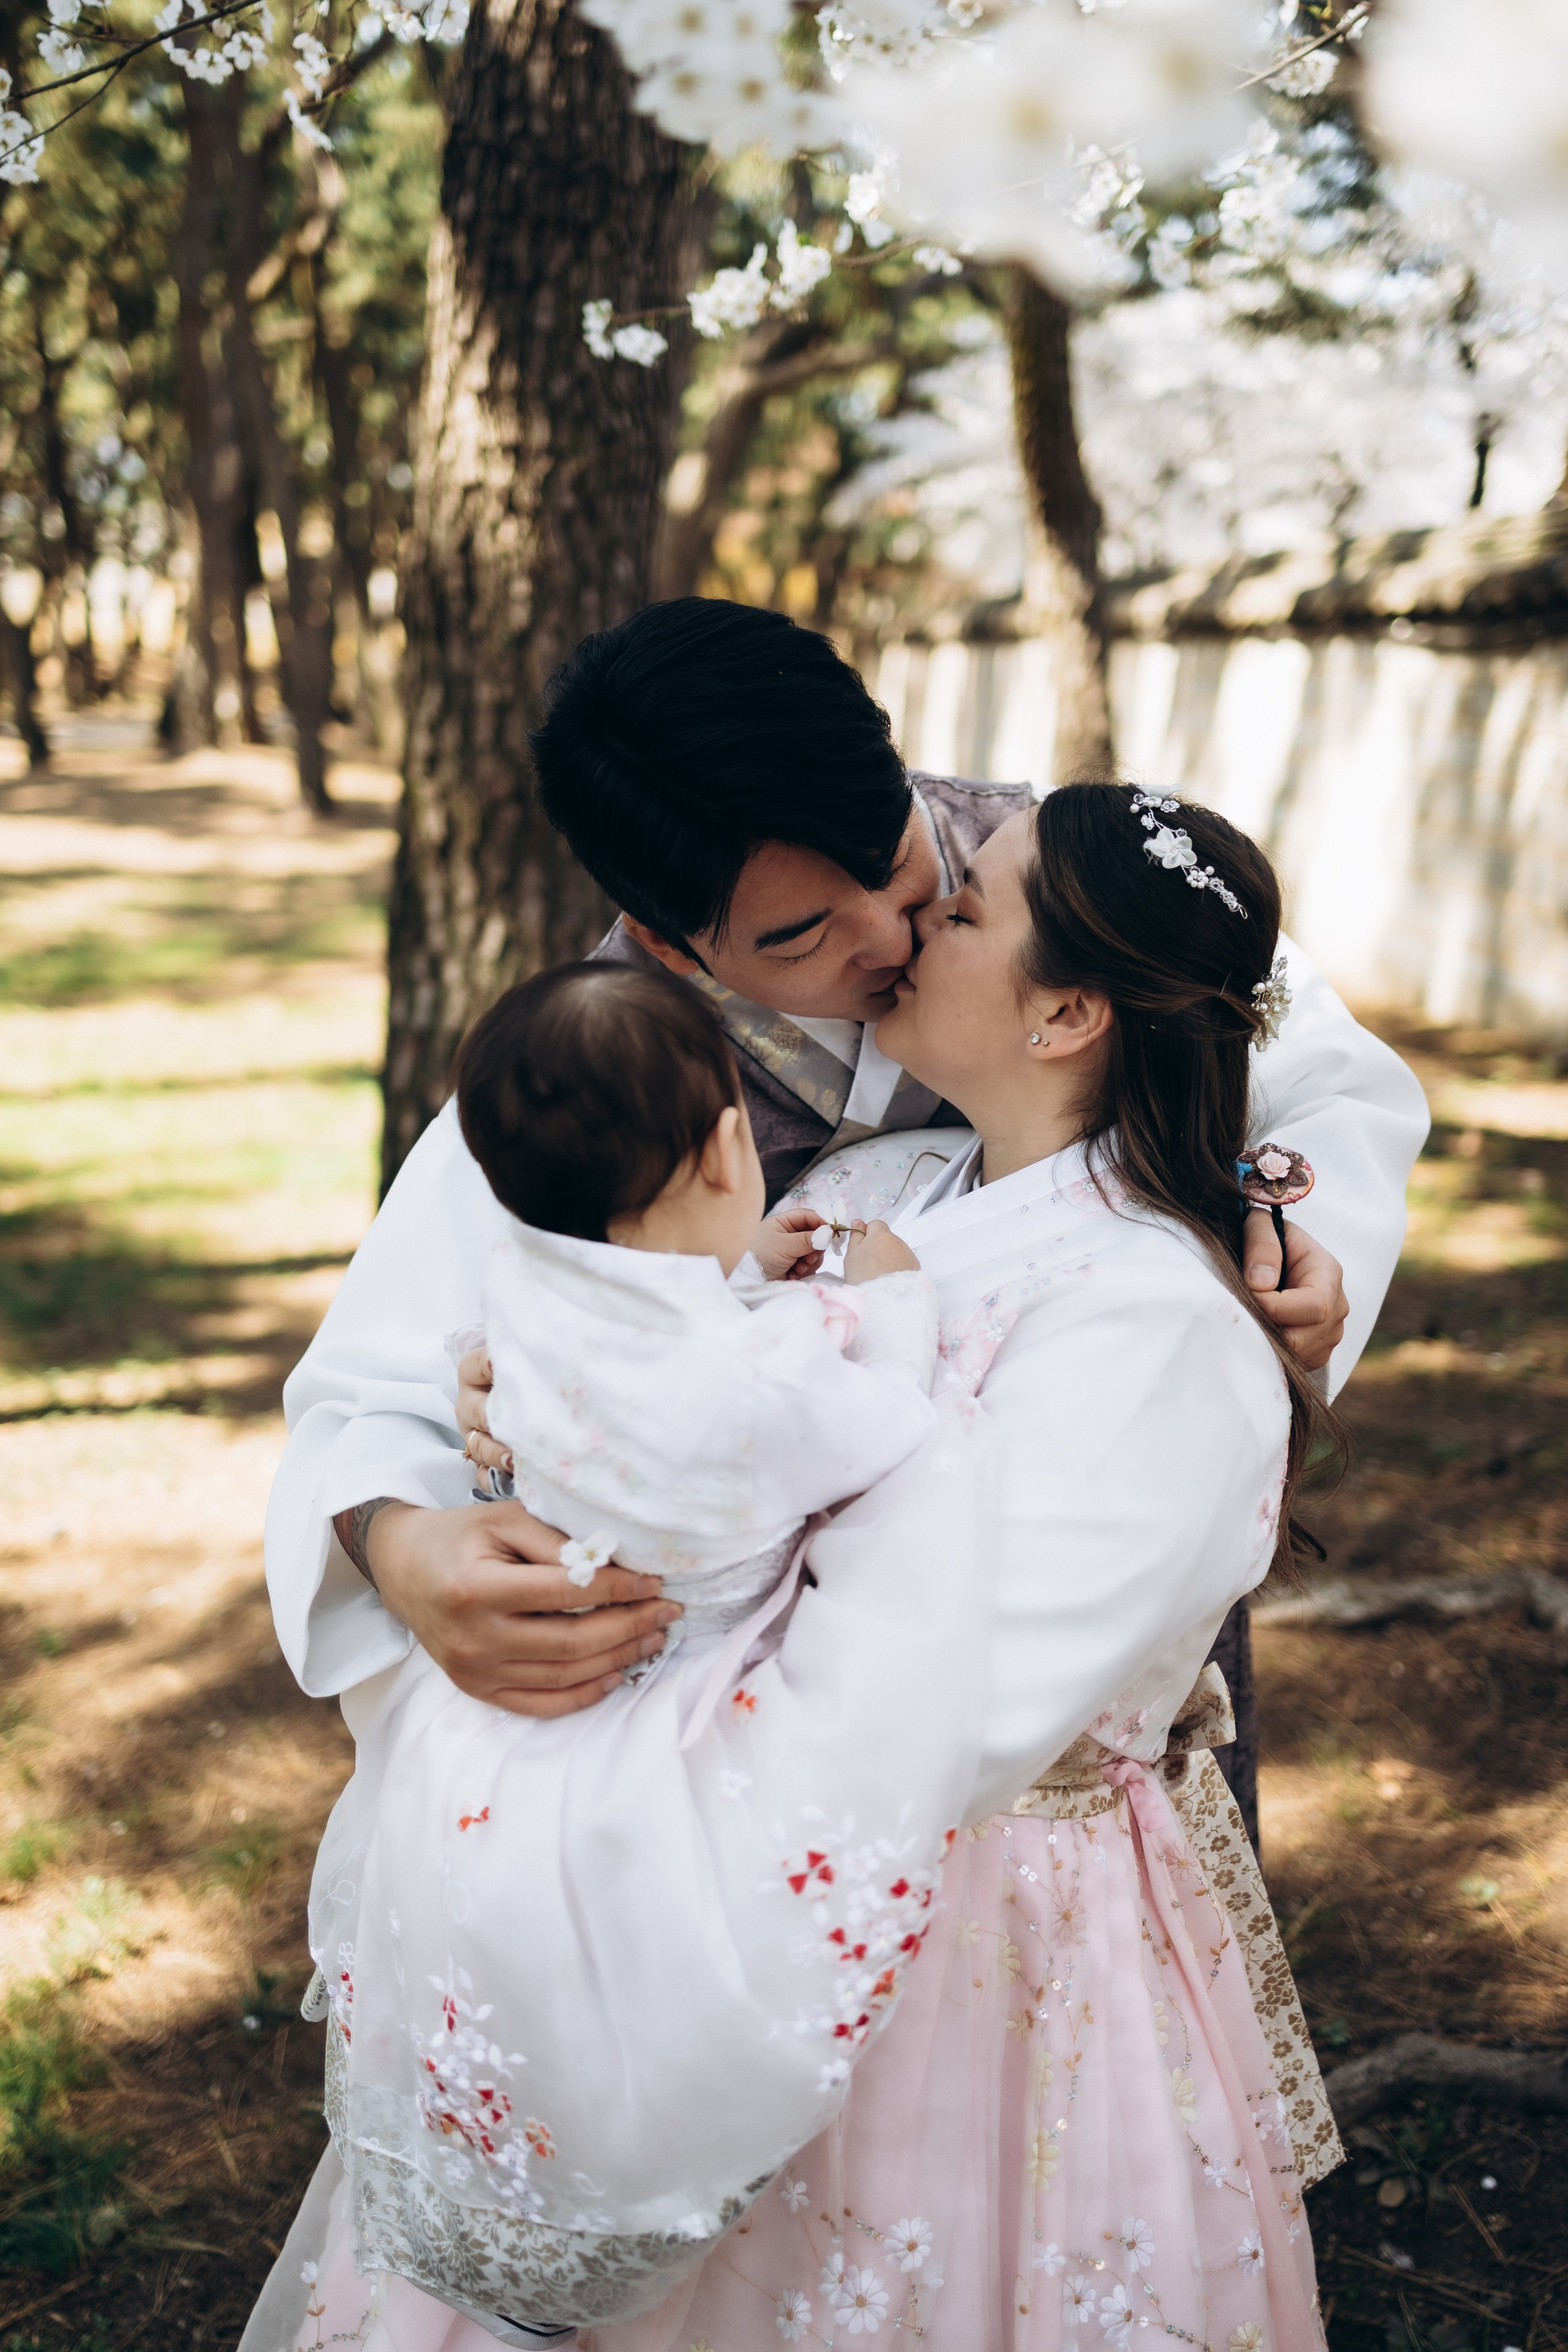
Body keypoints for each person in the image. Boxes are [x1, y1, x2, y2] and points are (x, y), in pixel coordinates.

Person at [251, 784, 1351, 2352]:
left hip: (942, 1923)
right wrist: (536, 1420)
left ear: (1062, 1016)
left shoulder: (1158, 1325)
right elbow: (679, 1404)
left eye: (960, 909)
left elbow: (963, 1704)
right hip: (734, 1841)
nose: (908, 932)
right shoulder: (861, 1195)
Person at [263, 600, 1429, 1857]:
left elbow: (1324, 1080)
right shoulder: (593, 1069)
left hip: (1087, 1665)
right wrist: (403, 1546)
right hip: (778, 1759)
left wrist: (1280, 1234)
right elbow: (375, 1385)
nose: (891, 938)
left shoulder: (1063, 876)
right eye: (801, 936)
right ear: (670, 943)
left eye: (894, 861)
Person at [271, 960, 995, 2344]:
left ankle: (505, 2232)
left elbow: (651, 1320)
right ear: (730, 1148)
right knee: (663, 2007)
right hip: (676, 1715)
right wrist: (885, 1303)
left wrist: (746, 1271)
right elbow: (871, 1421)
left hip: (496, 1745)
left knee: (522, 1998)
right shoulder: (757, 1388)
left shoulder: (516, 1306)